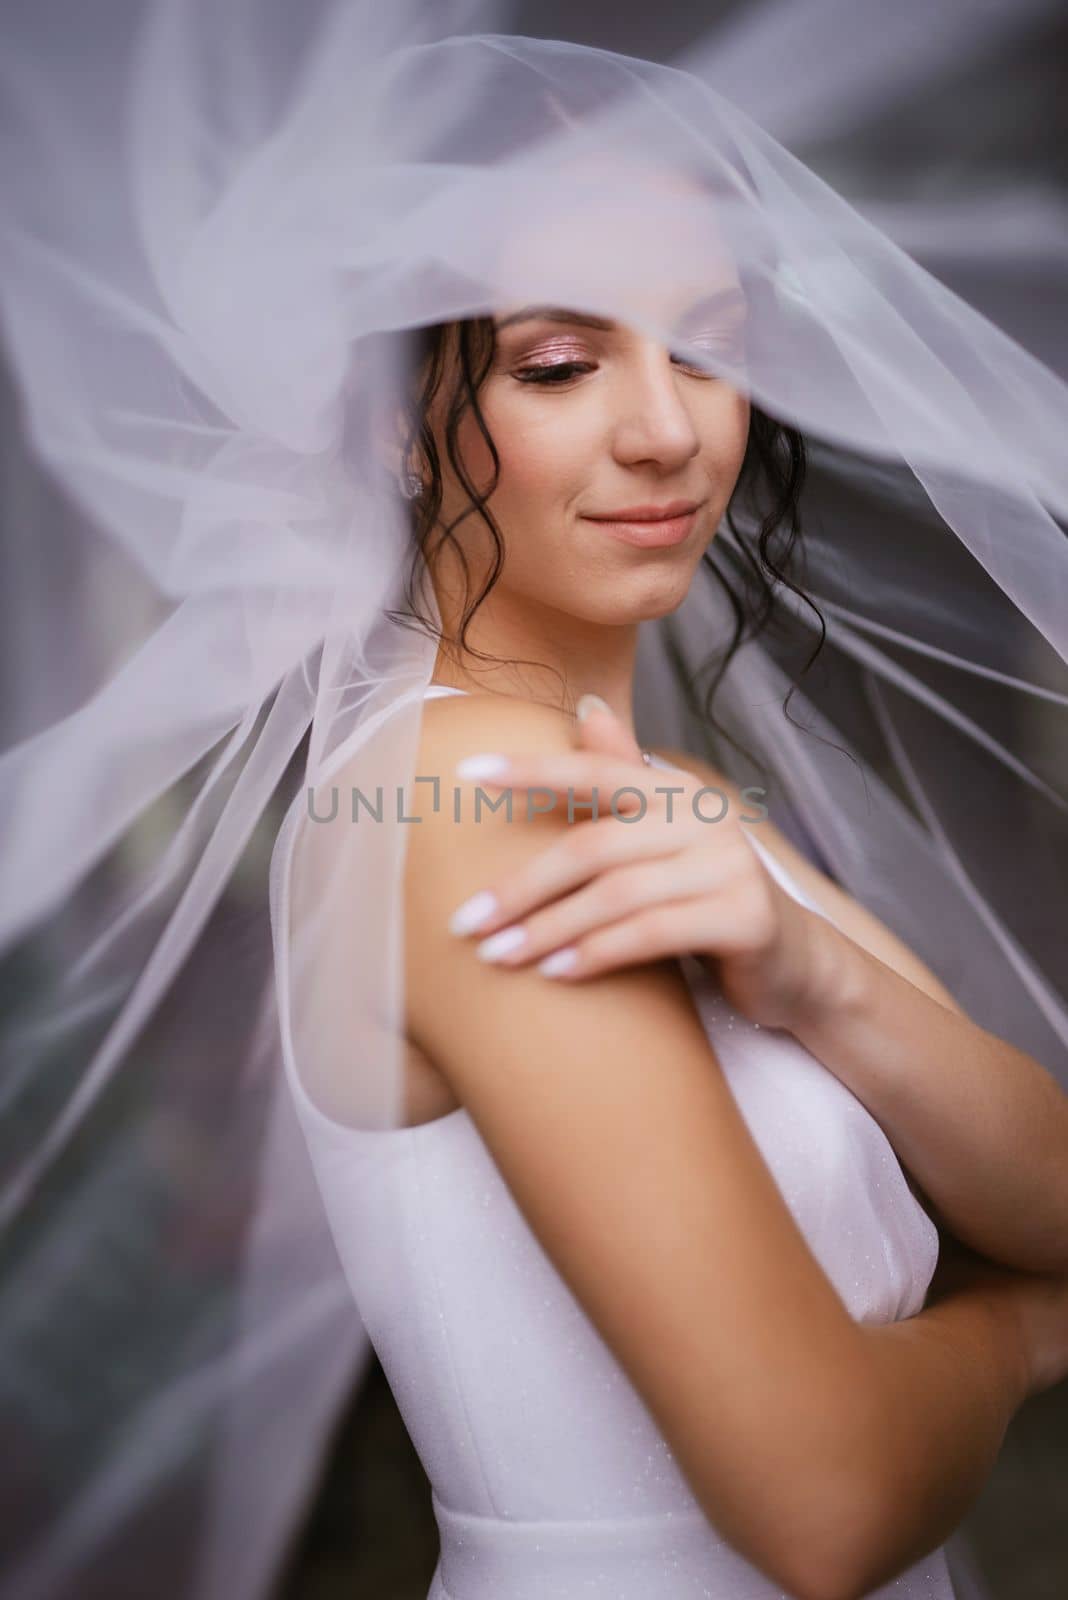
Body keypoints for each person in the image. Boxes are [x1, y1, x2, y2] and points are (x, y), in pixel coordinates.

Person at [1, 5, 1067, 1598]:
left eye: (705, 343)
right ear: (393, 427)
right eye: (560, 363)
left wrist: (823, 976)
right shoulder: (471, 799)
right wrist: (1023, 1331)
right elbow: (826, 1502)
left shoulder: (663, 802)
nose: (667, 428)